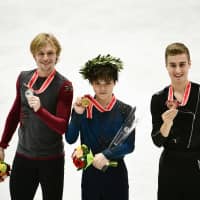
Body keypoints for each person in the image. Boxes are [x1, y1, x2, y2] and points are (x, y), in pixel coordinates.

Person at [0, 33, 73, 200]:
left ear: (57, 55)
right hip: (24, 157)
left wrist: (40, 110)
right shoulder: (24, 77)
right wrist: (2, 144)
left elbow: (62, 127)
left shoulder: (65, 86)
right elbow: (14, 113)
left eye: (50, 53)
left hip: (52, 159)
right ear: (34, 55)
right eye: (41, 53)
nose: (46, 58)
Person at [65, 54, 135, 200]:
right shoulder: (83, 107)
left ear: (115, 82)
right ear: (91, 83)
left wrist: (105, 155)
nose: (102, 88)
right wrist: (77, 114)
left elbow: (129, 145)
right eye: (98, 83)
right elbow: (70, 138)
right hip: (91, 175)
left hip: (116, 173)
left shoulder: (125, 110)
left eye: (107, 83)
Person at [150, 42, 200, 199]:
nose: (178, 70)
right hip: (169, 167)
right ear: (166, 66)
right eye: (173, 65)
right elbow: (157, 141)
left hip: (194, 165)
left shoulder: (199, 94)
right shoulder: (158, 99)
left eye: (182, 64)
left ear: (189, 64)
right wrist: (167, 123)